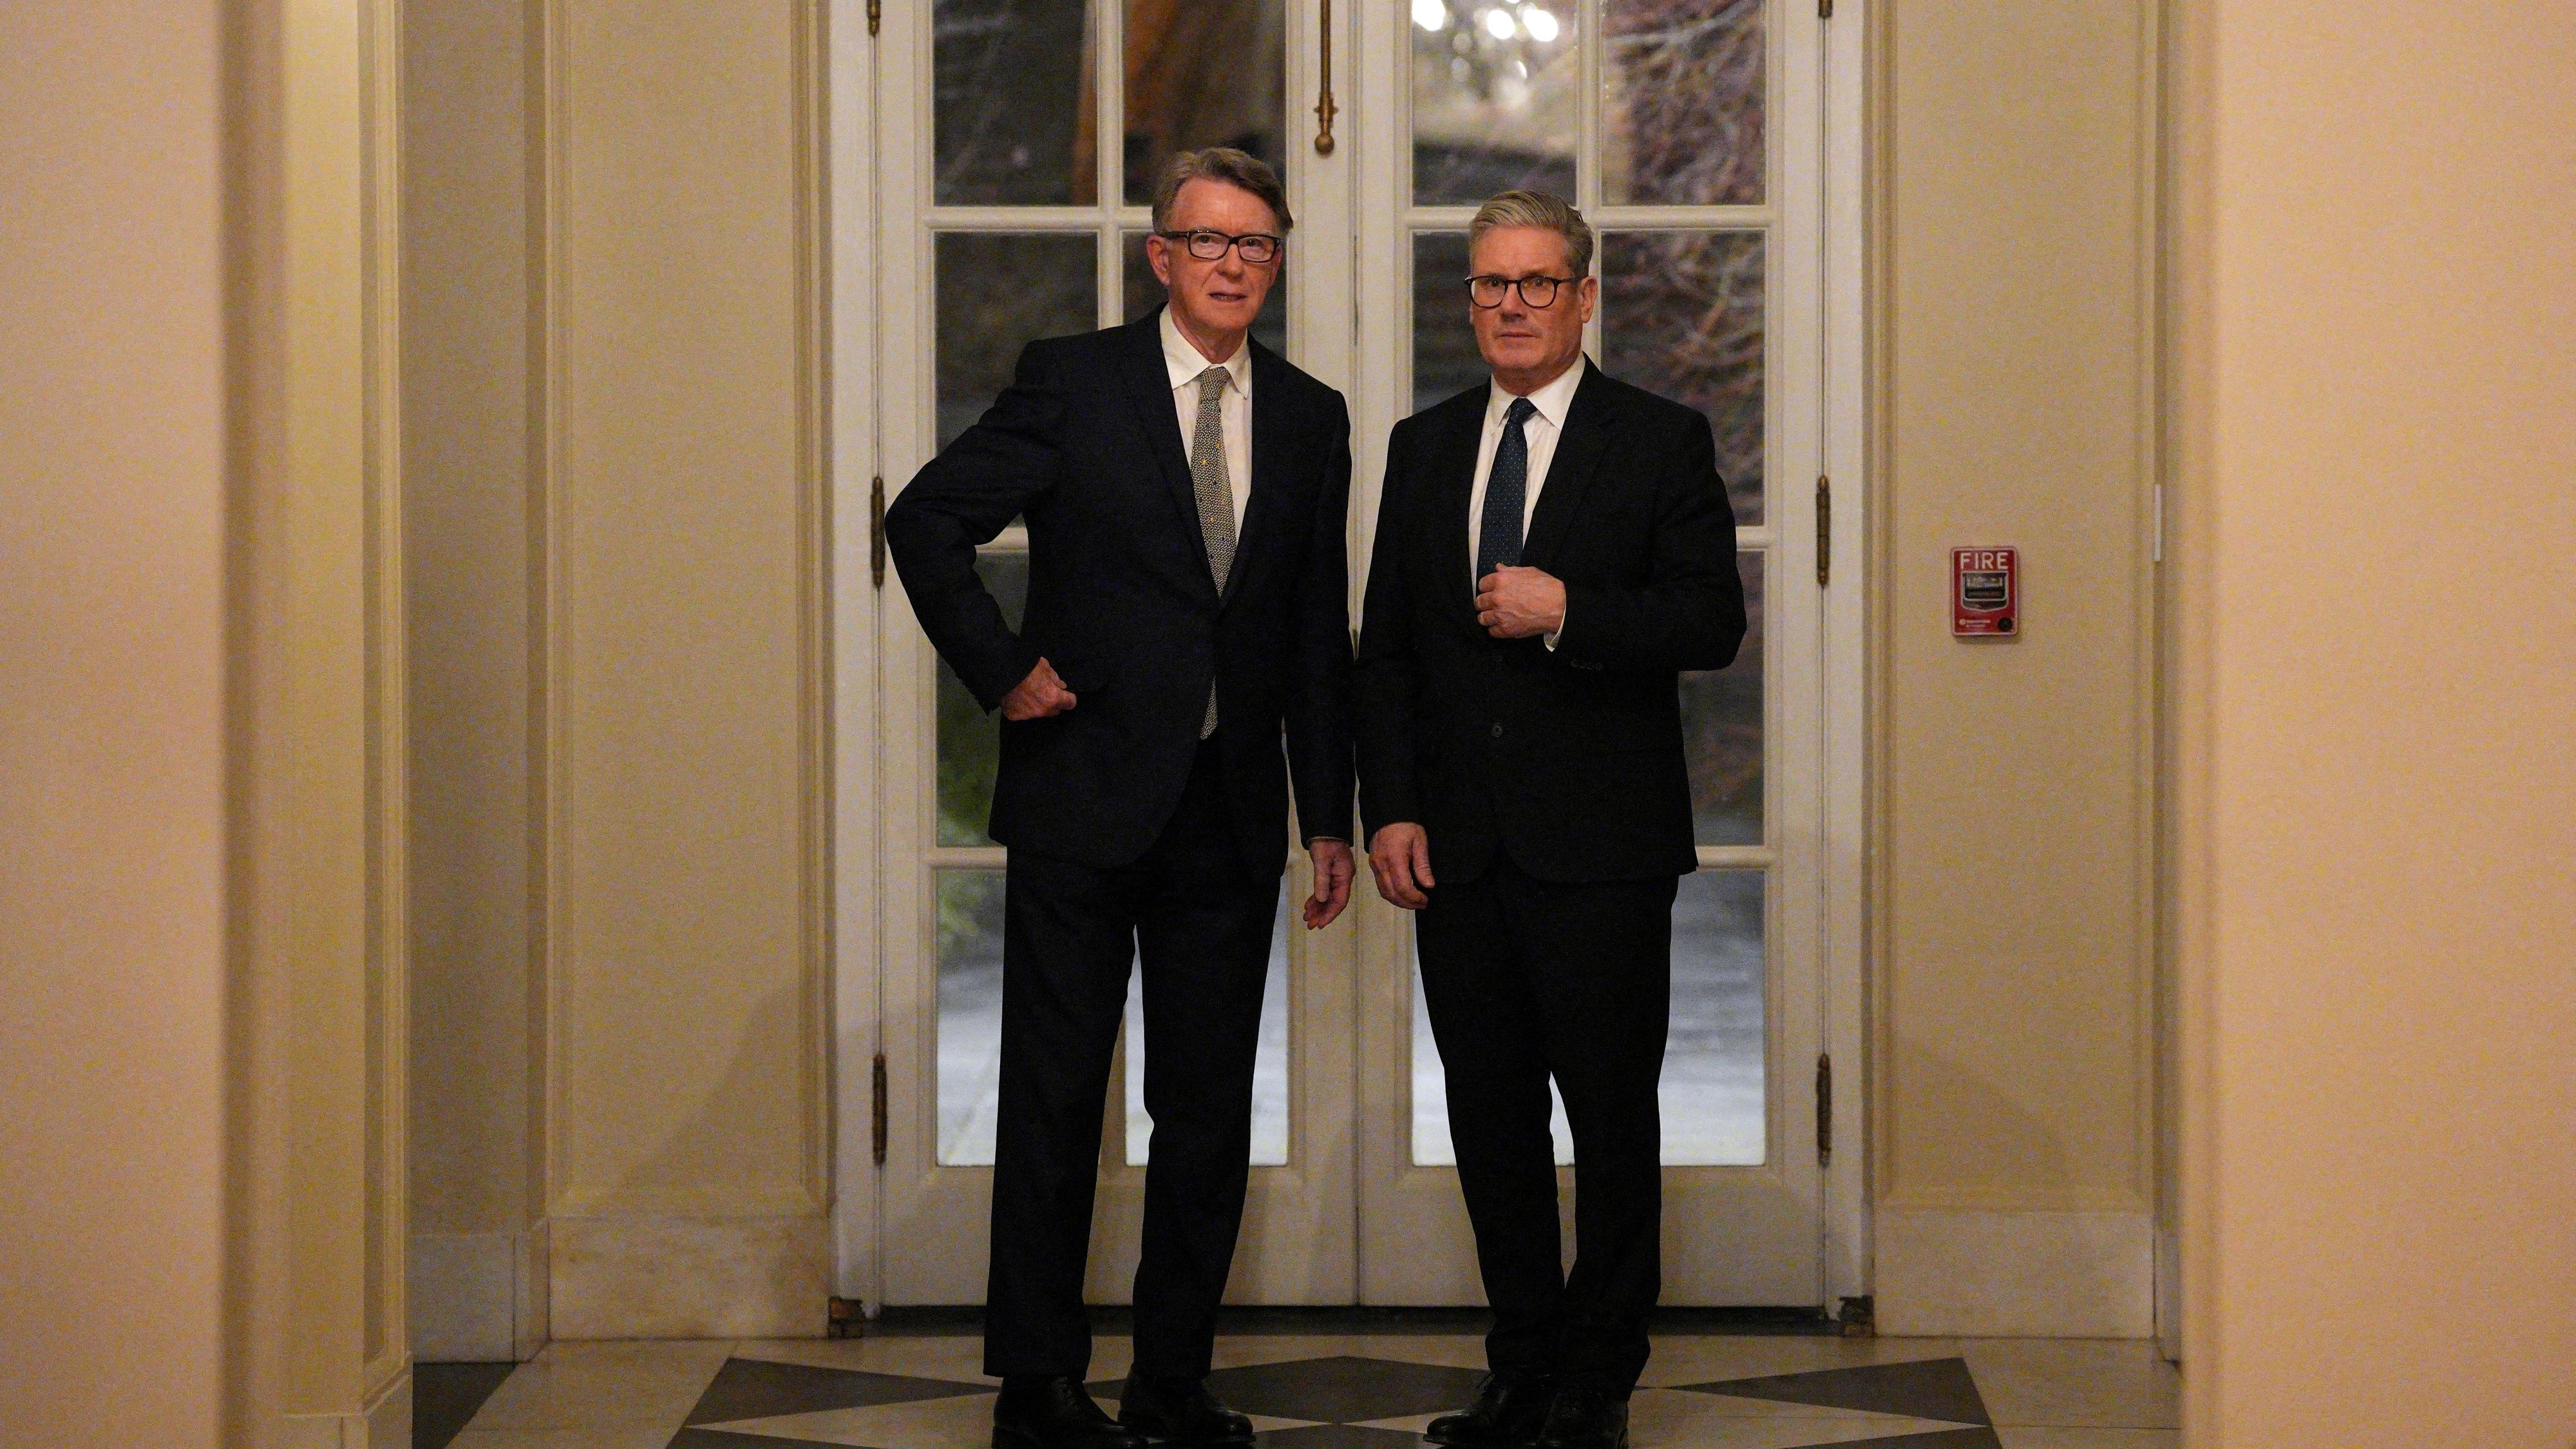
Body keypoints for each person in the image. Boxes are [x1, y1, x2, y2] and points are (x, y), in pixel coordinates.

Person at [885, 147, 1355, 1449]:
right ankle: (1036, 1384)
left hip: (1224, 813)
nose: (1229, 265)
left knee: (1202, 1114)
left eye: (1253, 245)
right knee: (1051, 1097)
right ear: (1159, 257)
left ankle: (1170, 1381)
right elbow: (925, 521)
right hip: (1080, 798)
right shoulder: (1072, 383)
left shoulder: (1312, 416)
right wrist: (1002, 669)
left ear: (1274, 259)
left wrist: (1328, 814)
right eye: (1206, 242)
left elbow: (1316, 628)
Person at [1354, 191, 1746, 1449]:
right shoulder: (1422, 450)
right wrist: (1391, 808)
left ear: (1583, 296)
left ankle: (1597, 1377)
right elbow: (1390, 654)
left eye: (1534, 283)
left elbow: (1706, 622)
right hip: (1457, 849)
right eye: (1488, 285)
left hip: (1603, 851)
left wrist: (1566, 606)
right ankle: (1517, 1364)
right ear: (1466, 302)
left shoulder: (1657, 439)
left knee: (1609, 1116)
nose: (1510, 305)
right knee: (1488, 1116)